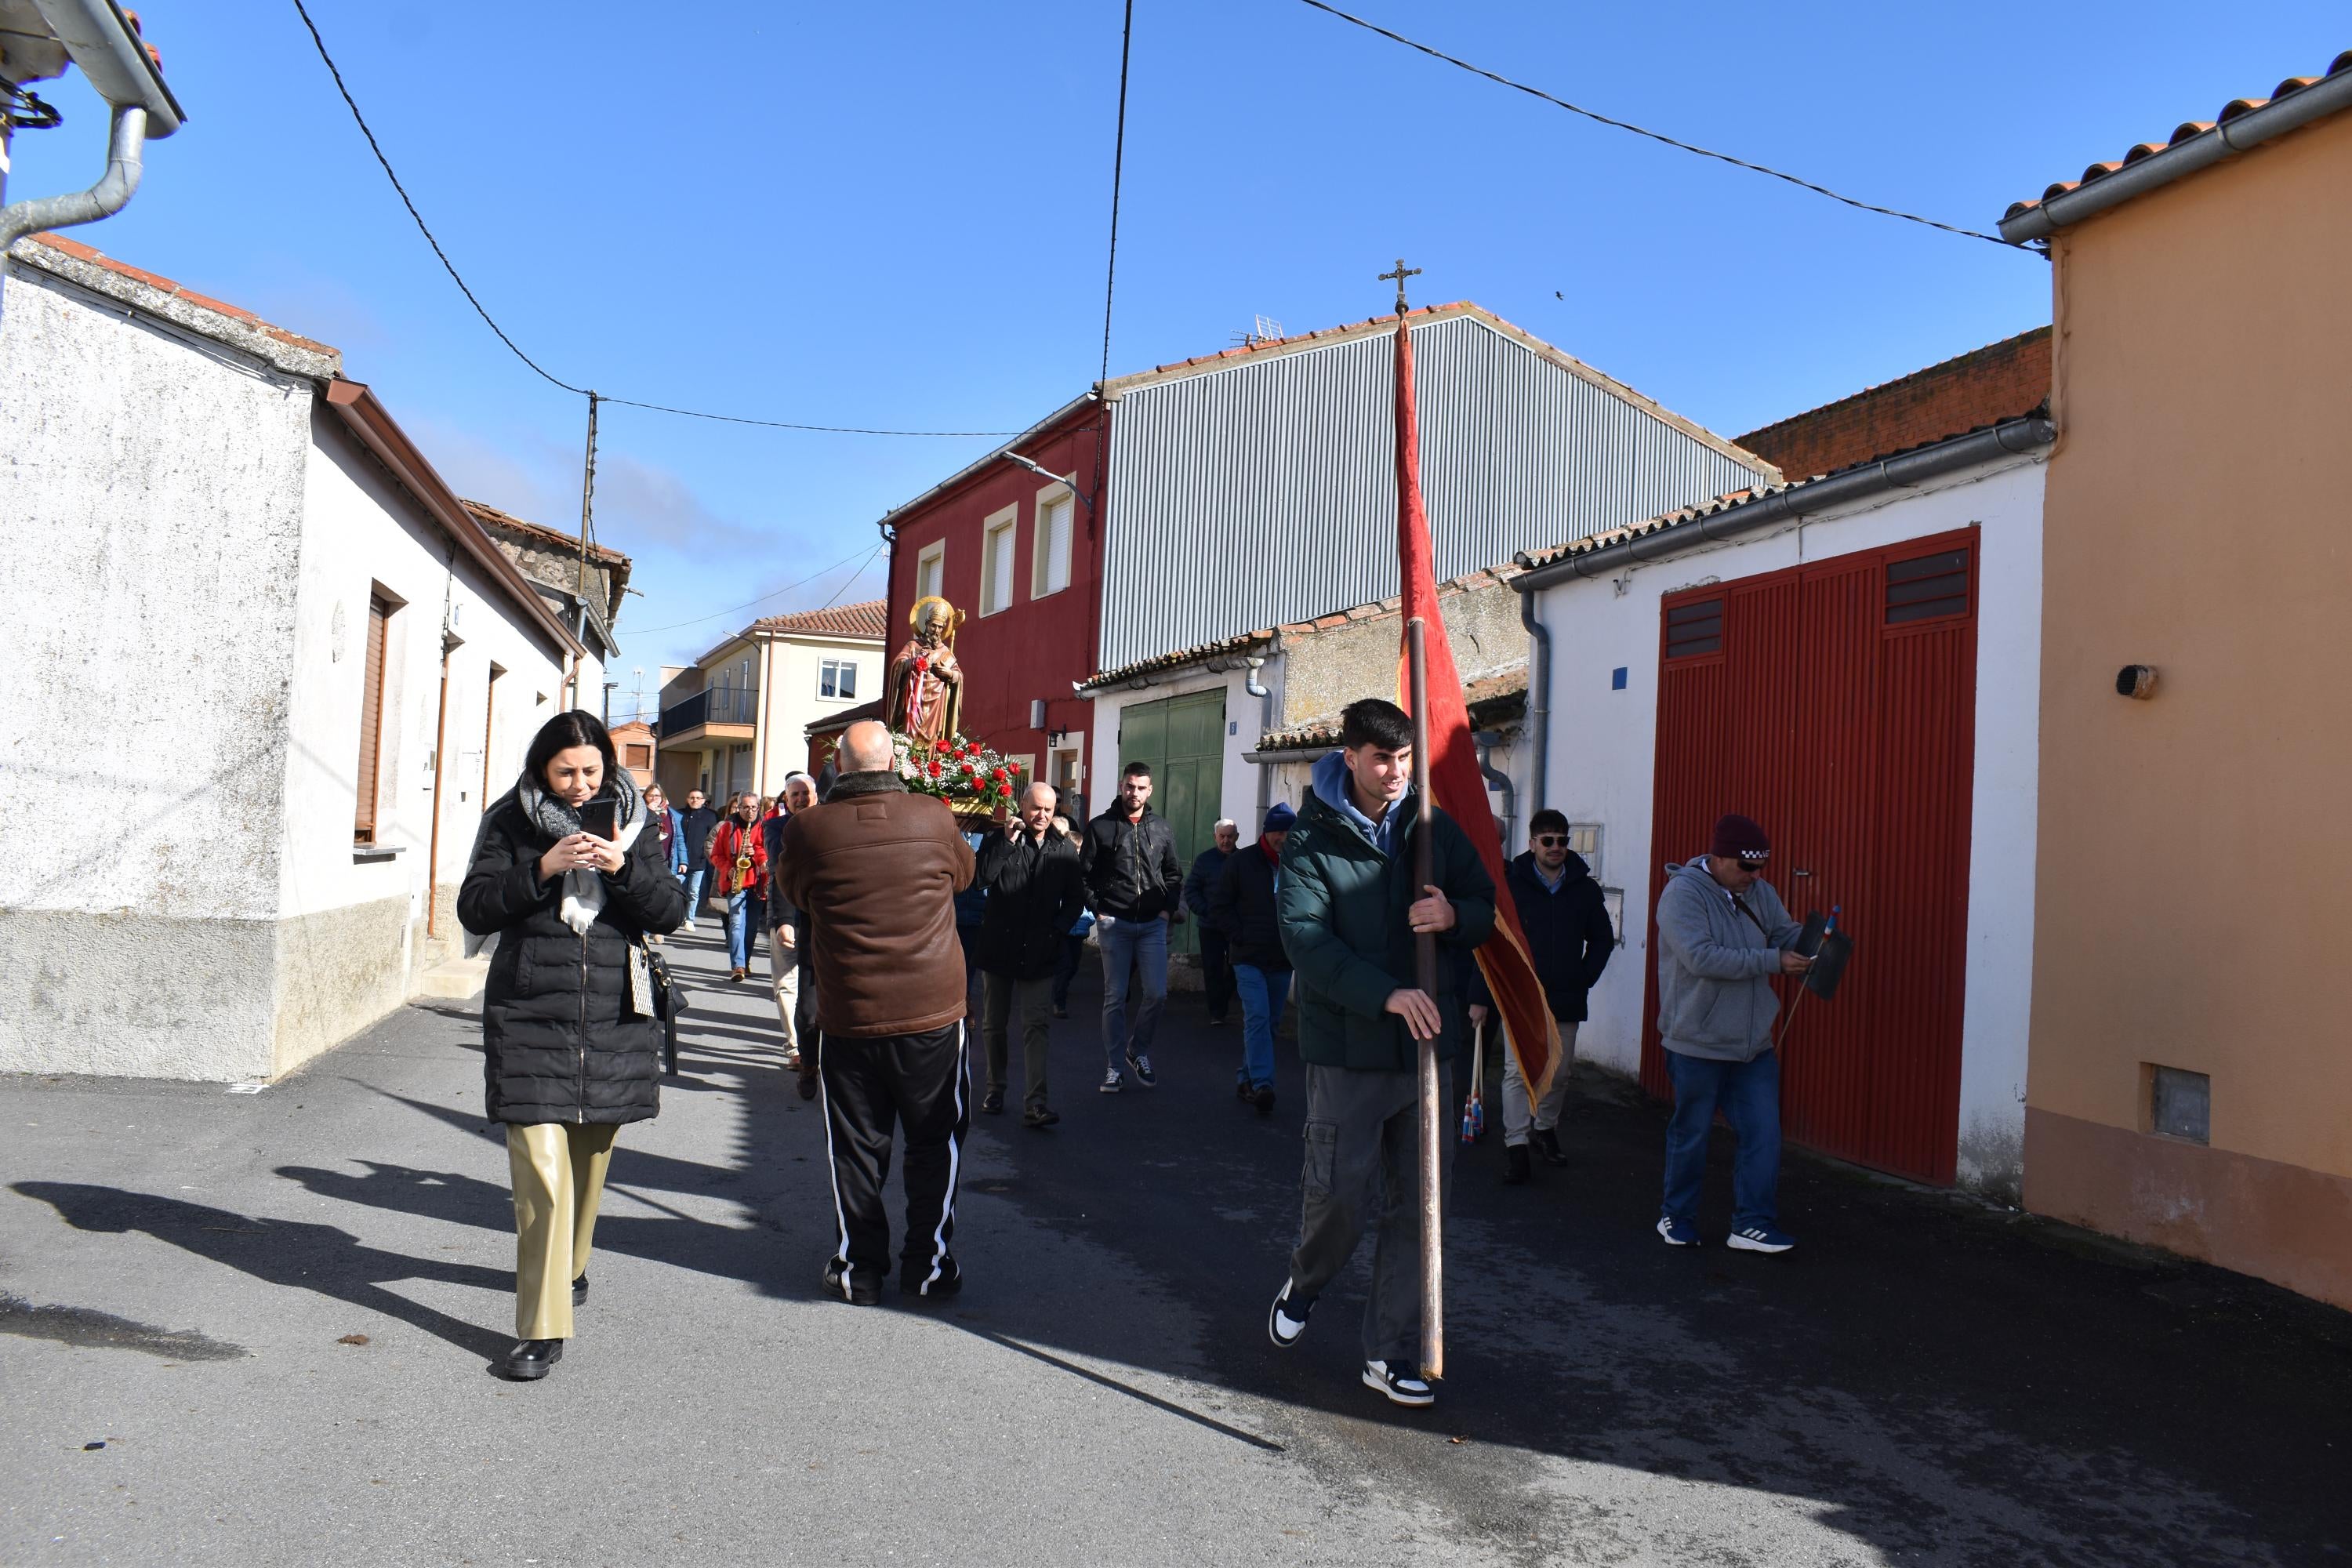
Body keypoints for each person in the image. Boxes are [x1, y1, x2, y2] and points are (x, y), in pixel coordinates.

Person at [1265, 699, 1495, 1409]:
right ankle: (1306, 1281)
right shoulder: (1311, 841)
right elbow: (1306, 942)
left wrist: (1456, 916)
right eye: (1381, 758)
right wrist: (1386, 995)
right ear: (1351, 756)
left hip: (1430, 1053)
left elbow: (1485, 901)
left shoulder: (1433, 828)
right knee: (1340, 1197)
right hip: (1349, 1052)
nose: (1395, 772)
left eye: (1403, 759)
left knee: (1420, 1207)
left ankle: (1387, 1353)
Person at [457, 710, 686, 1381]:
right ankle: (542, 1327)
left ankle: (573, 1263)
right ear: (541, 769)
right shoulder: (510, 819)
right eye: (566, 772)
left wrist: (621, 869)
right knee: (543, 1179)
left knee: (590, 1165)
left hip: (615, 1017)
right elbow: (475, 907)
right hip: (530, 1015)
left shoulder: (635, 820)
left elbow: (670, 910)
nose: (580, 785)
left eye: (591, 771)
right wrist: (543, 869)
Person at [776, 719, 977, 1305]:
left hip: (852, 1014)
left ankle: (859, 1268)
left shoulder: (809, 830)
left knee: (856, 1147)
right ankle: (929, 1265)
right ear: (896, 762)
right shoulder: (934, 816)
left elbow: (795, 890)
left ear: (838, 765)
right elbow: (963, 876)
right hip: (932, 1011)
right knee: (935, 1140)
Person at [1654, 812, 1810, 1254]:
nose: (1754, 876)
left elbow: (1784, 933)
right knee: (1693, 1133)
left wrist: (1814, 942)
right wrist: (1774, 961)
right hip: (1696, 1041)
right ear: (1718, 858)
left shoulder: (1760, 892)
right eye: (1745, 867)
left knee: (1764, 1132)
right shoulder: (1682, 894)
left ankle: (1753, 1224)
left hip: (1752, 1044)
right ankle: (1676, 1216)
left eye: (1759, 867)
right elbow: (1703, 958)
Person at [1468, 808, 1618, 1185]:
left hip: (1566, 995)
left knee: (1560, 1071)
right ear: (1532, 843)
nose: (1555, 847)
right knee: (1517, 1072)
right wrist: (1480, 997)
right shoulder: (1510, 885)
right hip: (1520, 994)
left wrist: (1584, 977)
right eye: (1547, 840)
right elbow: (1491, 943)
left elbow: (1602, 938)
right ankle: (1516, 1145)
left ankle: (1544, 1128)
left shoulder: (1584, 888)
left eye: (1562, 841)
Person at [974, 782, 1086, 1128]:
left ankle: (1036, 1103)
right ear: (1022, 806)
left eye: (1049, 810)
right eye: (1036, 808)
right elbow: (981, 879)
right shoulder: (999, 840)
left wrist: (1058, 930)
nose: (1042, 816)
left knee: (1036, 1026)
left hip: (1040, 951)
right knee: (994, 1025)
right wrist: (1007, 843)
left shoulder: (1063, 848)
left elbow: (1076, 898)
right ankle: (995, 1088)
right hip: (999, 948)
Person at [1080, 761, 1183, 1093]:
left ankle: (1136, 1051)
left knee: (1157, 993)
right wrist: (1099, 912)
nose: (1134, 792)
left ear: (1149, 790)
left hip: (1153, 924)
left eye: (1141, 787)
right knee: (1115, 996)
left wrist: (1167, 912)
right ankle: (1113, 1068)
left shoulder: (1162, 829)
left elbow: (1173, 875)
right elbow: (1083, 876)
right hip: (1116, 924)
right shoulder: (1101, 827)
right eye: (1129, 786)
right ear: (1121, 786)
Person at [1213, 801, 1294, 1115]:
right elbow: (1220, 905)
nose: (1282, 838)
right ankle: (1263, 1084)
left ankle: (1246, 1078)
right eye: (1277, 831)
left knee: (1270, 1023)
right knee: (1258, 1016)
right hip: (1247, 956)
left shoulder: (1298, 863)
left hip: (1283, 957)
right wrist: (1239, 936)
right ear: (1266, 832)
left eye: (1288, 832)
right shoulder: (1242, 862)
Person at [764, 773, 818, 1072]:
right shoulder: (774, 826)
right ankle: (795, 1047)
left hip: (820, 919)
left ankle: (816, 1042)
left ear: (816, 795)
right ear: (786, 800)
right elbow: (780, 867)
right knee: (786, 984)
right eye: (794, 794)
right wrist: (784, 920)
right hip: (785, 916)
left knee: (815, 986)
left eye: (805, 793)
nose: (800, 799)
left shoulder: (827, 824)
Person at [1185, 819, 1240, 1026]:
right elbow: (1191, 890)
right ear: (1215, 837)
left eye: (1230, 836)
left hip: (1236, 925)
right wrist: (1206, 911)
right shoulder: (1204, 861)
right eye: (1222, 836)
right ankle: (1217, 1012)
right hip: (1210, 925)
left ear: (1237, 837)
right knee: (1212, 968)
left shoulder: (1244, 860)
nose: (1226, 841)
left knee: (1238, 965)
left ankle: (1224, 999)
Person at [710, 793, 768, 982]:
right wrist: (728, 870)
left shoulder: (765, 826)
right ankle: (738, 966)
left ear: (758, 808)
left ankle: (746, 960)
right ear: (739, 808)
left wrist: (757, 852)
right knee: (736, 923)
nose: (750, 811)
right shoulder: (727, 826)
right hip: (736, 882)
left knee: (751, 927)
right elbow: (716, 854)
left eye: (753, 808)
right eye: (745, 807)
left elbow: (767, 850)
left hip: (758, 882)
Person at [644, 784, 686, 946]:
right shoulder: (639, 813)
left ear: (662, 797)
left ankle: (658, 930)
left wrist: (683, 861)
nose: (654, 799)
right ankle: (646, 931)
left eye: (657, 796)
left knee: (665, 897)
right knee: (648, 897)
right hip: (647, 861)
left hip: (668, 860)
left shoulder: (672, 815)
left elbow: (679, 839)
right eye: (651, 795)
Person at [677, 788, 720, 935]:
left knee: (694, 892)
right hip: (680, 861)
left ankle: (690, 919)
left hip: (699, 860)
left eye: (698, 798)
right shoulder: (679, 814)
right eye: (692, 797)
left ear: (703, 801)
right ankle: (677, 917)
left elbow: (713, 838)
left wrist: (706, 854)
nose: (695, 800)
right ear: (687, 799)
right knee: (677, 890)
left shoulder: (710, 816)